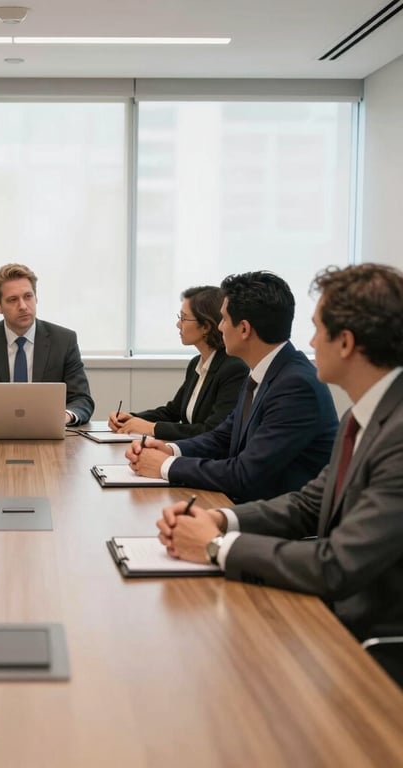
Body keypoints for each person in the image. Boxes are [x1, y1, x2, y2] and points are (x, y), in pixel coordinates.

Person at [156, 263, 403, 685]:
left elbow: (336, 564)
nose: (308, 341)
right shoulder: (363, 416)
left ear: (344, 342)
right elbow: (311, 502)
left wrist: (216, 547)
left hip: (368, 640)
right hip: (333, 610)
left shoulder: (394, 432)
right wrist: (222, 519)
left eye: (317, 328)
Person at [126, 271, 338, 502]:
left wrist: (167, 465)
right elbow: (221, 438)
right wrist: (170, 450)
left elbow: (245, 473)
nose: (219, 327)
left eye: (224, 319)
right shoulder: (266, 372)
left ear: (244, 329)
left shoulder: (296, 385)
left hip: (278, 520)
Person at [0, 263, 95, 425]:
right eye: (13, 300)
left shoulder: (64, 340)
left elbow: (82, 399)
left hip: (48, 435)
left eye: (28, 296)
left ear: (36, 298)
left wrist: (64, 417)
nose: (23, 306)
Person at [108, 286, 248, 439]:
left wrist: (152, 428)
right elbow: (172, 412)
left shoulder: (233, 368)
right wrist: (131, 418)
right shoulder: (196, 363)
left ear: (206, 326)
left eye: (184, 318)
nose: (178, 324)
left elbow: (211, 430)